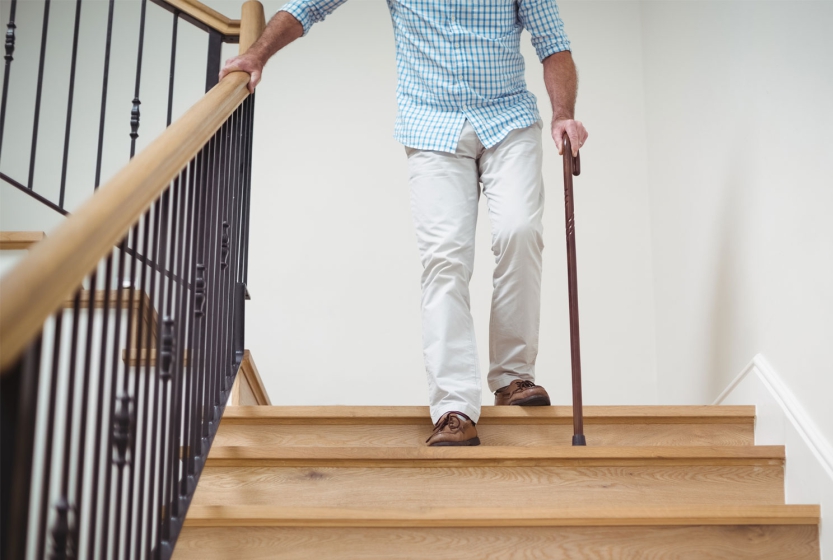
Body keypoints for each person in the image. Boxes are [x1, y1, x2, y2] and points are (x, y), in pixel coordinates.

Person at [220, 0, 588, 446]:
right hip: (431, 126)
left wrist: (562, 113)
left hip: (507, 119)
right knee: (445, 258)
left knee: (520, 231)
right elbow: (309, 6)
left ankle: (513, 378)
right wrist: (257, 55)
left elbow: (554, 44)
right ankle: (454, 406)